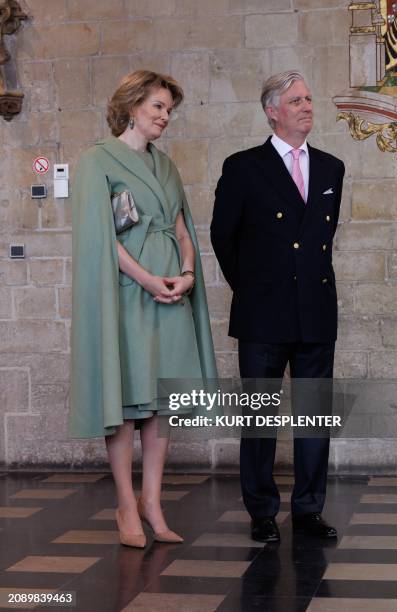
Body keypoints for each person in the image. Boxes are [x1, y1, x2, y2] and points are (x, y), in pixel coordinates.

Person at [69, 70, 217, 548]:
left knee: (161, 405)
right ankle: (125, 505)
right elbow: (101, 238)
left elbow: (181, 230)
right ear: (132, 105)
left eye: (169, 109)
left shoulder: (167, 166)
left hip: (171, 293)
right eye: (158, 106)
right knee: (128, 402)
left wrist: (187, 275)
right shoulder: (95, 161)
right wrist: (149, 278)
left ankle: (154, 504)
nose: (165, 117)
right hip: (129, 293)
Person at [210, 70, 345, 543]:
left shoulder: (331, 168)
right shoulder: (243, 166)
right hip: (263, 315)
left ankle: (308, 510)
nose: (307, 106)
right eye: (295, 100)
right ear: (272, 111)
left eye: (309, 98)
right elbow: (222, 236)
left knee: (314, 418)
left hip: (316, 311)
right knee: (261, 420)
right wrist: (251, 288)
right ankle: (262, 512)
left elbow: (320, 238)